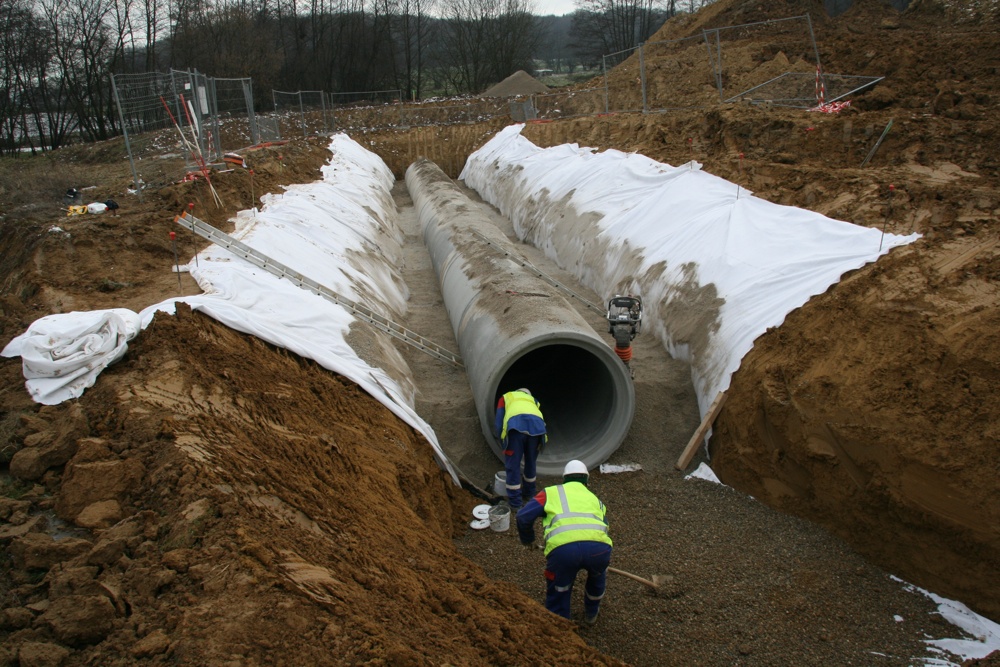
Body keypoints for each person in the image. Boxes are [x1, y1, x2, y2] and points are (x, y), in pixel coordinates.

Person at [516, 460, 612, 625]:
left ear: (564, 479)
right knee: (597, 577)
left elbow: (523, 516)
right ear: (586, 481)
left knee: (560, 588)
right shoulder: (595, 499)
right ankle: (591, 614)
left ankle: (560, 627)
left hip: (564, 552)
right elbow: (604, 525)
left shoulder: (551, 493)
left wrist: (528, 540)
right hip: (599, 549)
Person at [494, 388, 546, 510]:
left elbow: (498, 423)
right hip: (537, 431)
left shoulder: (506, 397)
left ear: (517, 392)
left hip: (515, 429)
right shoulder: (533, 400)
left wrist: (502, 441)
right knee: (530, 463)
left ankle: (516, 503)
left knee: (513, 466)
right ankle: (529, 494)